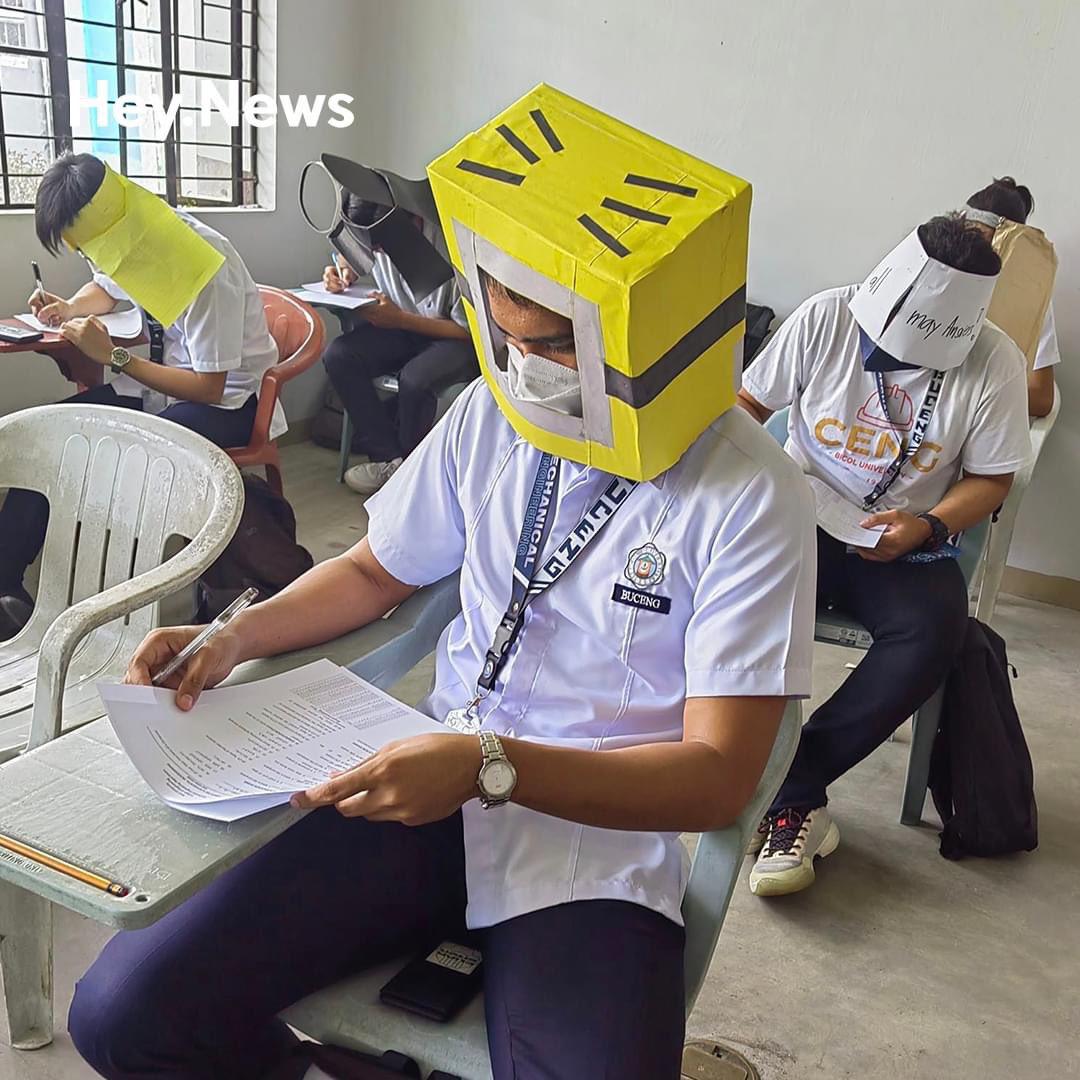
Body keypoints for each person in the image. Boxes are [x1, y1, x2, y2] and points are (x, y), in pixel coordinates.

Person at [66, 86, 817, 1080]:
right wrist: (235, 637)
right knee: (123, 1013)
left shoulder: (749, 493)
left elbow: (719, 775)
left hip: (592, 845)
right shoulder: (490, 417)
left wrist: (488, 765)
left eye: (549, 346)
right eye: (500, 335)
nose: (519, 367)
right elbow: (377, 568)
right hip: (416, 795)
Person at [738, 214, 1031, 897]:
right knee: (731, 596)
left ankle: (789, 788)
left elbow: (991, 479)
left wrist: (928, 524)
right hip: (801, 512)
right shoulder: (825, 316)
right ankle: (770, 787)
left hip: (901, 538)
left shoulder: (996, 362)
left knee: (935, 632)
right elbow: (747, 407)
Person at [0, 153, 282, 640]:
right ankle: (5, 583)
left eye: (89, 250)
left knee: (124, 460)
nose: (91, 261)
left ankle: (120, 618)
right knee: (49, 436)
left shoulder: (204, 265)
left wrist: (115, 358)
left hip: (226, 404)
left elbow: (209, 387)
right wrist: (69, 306)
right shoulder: (130, 231)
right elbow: (106, 289)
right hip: (158, 385)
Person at [318, 188, 477, 496]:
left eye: (380, 246)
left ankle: (412, 473)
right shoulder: (372, 233)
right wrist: (339, 273)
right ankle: (391, 461)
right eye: (371, 247)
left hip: (454, 335)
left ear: (412, 222)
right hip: (403, 323)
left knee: (416, 380)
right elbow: (348, 260)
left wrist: (401, 320)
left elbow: (469, 332)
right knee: (340, 355)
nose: (378, 253)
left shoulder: (449, 243)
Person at [965, 176, 1059, 417]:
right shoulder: (940, 280)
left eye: (982, 238)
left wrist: (968, 396)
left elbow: (1041, 398)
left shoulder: (1031, 303)